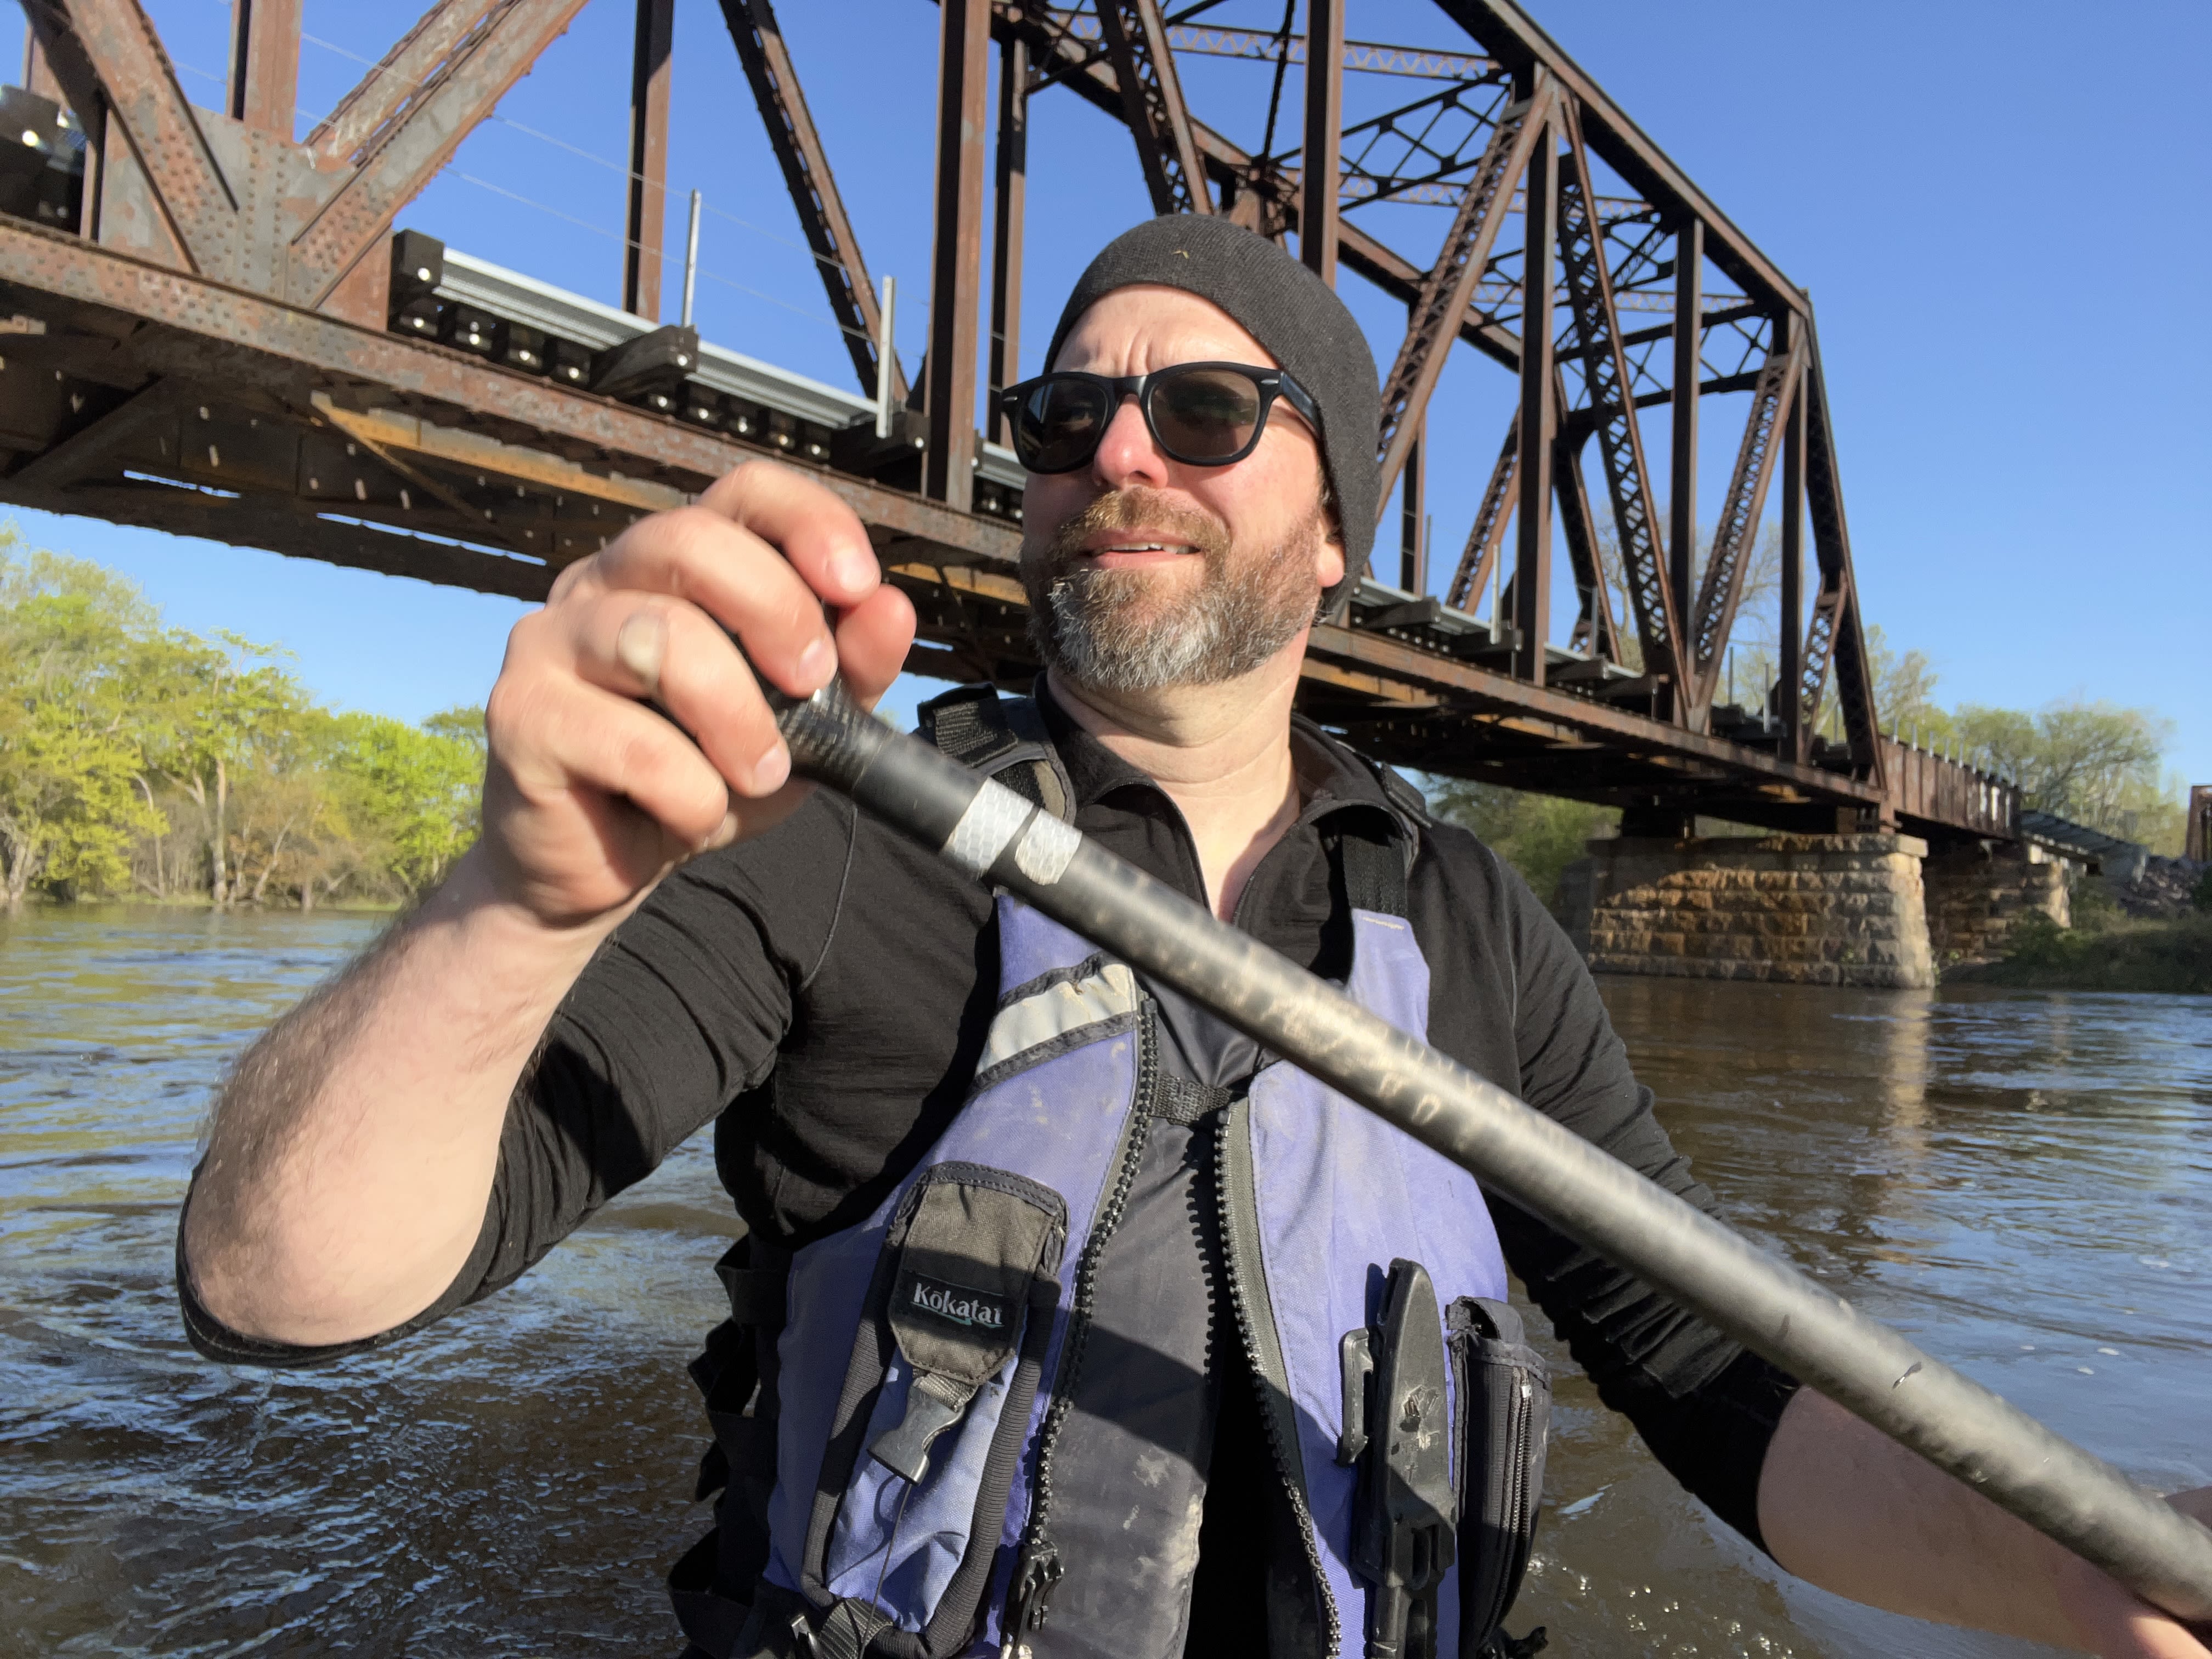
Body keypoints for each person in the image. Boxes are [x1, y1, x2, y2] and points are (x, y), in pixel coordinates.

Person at [179, 217, 2207, 1659]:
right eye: (1068, 418)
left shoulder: (1472, 925)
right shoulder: (829, 841)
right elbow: (282, 1287)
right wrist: (510, 909)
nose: (1118, 458)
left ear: (1336, 528)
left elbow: (1713, 1375)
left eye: (1212, 412)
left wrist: (2082, 1583)